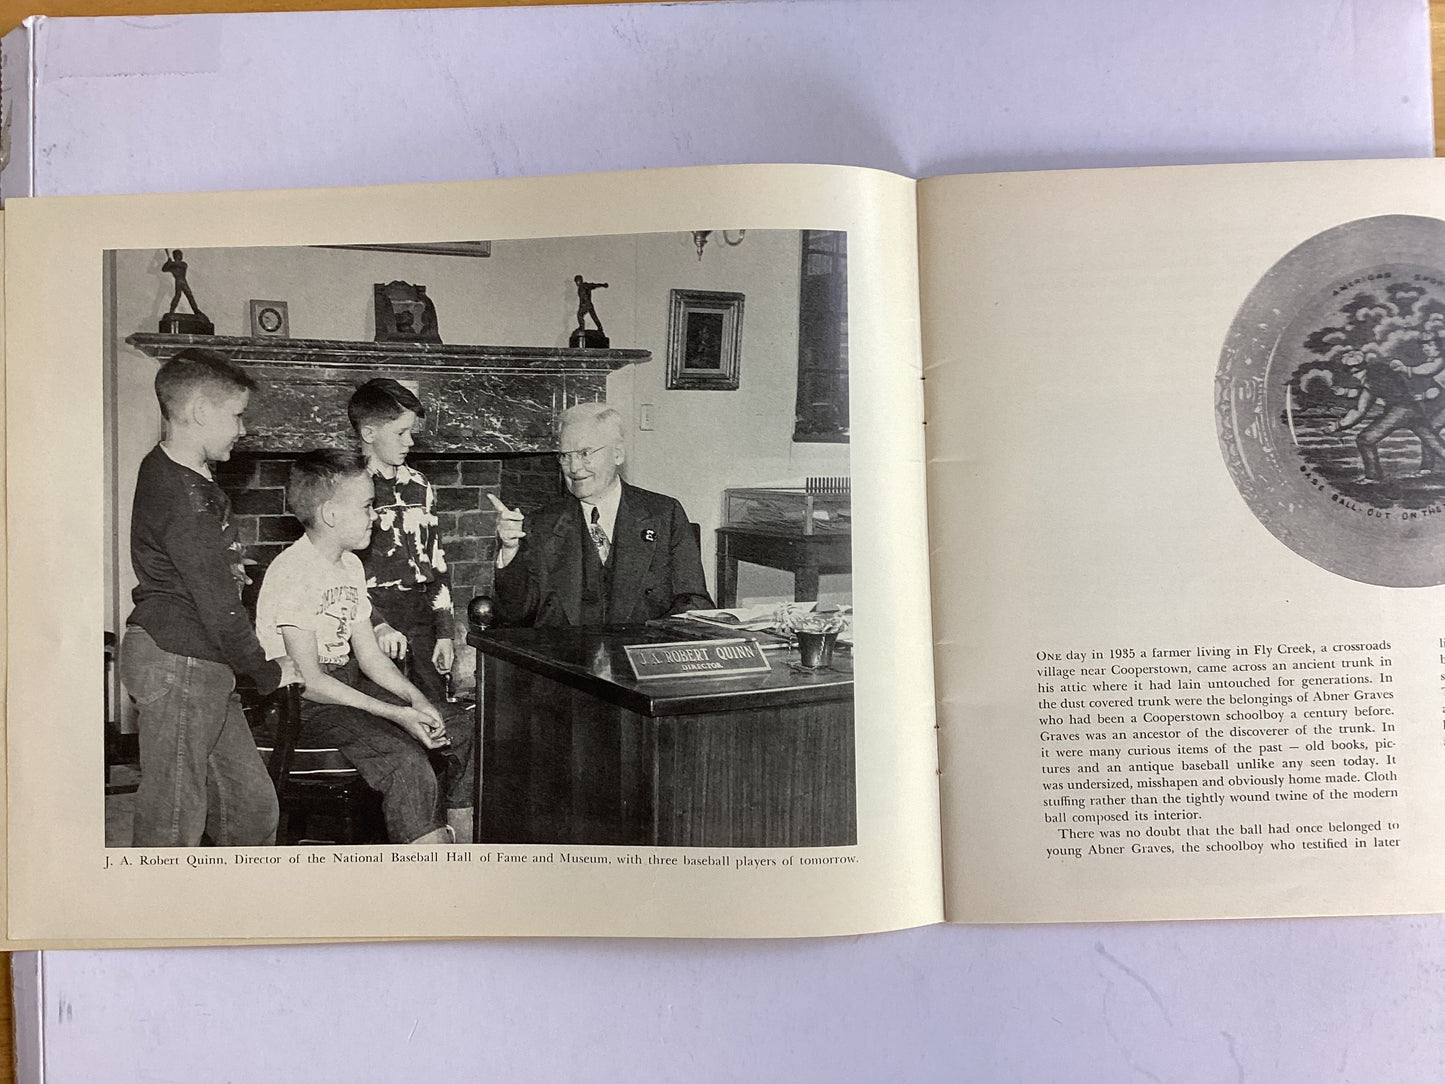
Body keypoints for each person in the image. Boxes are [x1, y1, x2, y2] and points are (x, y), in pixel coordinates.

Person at [120, 348, 302, 847]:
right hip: (180, 660)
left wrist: (222, 566)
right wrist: (268, 670)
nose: (243, 430)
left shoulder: (175, 473)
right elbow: (219, 607)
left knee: (250, 809)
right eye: (237, 415)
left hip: (200, 661)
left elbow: (192, 563)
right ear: (201, 412)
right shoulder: (185, 494)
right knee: (173, 821)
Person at [254, 449, 474, 844]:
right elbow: (312, 682)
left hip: (348, 686)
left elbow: (370, 657)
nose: (376, 516)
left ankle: (459, 847)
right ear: (331, 514)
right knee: (404, 760)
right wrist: (396, 714)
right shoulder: (292, 573)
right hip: (302, 706)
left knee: (459, 726)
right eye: (368, 506)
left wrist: (416, 701)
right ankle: (430, 872)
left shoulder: (351, 566)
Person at [489, 402, 713, 626]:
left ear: (617, 454)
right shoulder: (540, 524)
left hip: (638, 653)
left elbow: (693, 602)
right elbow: (514, 616)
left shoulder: (664, 514)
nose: (574, 467)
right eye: (565, 456)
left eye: (585, 453)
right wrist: (510, 551)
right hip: (564, 657)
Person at [346, 378, 454, 708]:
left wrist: (445, 632)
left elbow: (437, 560)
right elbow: (339, 574)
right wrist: (376, 626)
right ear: (369, 433)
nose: (409, 442)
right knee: (390, 716)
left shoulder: (420, 484)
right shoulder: (348, 488)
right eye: (401, 433)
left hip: (421, 616)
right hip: (372, 618)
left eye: (411, 433)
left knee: (436, 713)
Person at [1324, 346, 1445, 482]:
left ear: (1352, 372)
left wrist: (1337, 425)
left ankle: (1373, 477)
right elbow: (1378, 391)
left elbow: (1360, 410)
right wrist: (1346, 392)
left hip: (1397, 412)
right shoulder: (1380, 371)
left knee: (1365, 439)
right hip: (1414, 409)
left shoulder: (1370, 382)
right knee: (1433, 441)